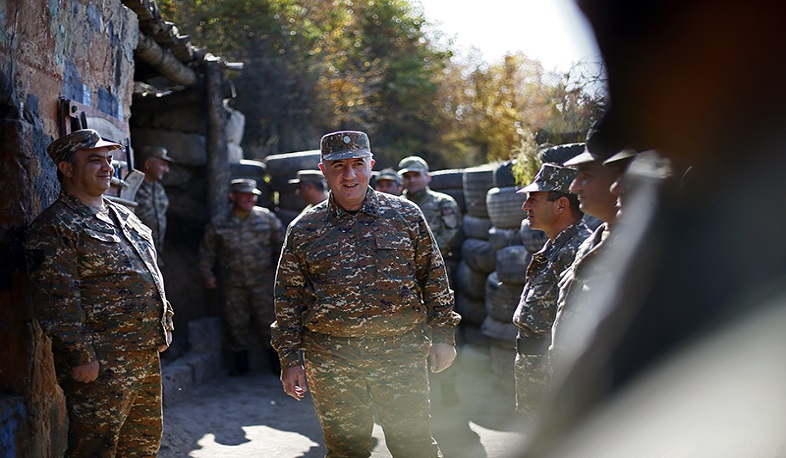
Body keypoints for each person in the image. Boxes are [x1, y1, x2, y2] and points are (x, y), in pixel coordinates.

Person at [272, 130, 461, 457]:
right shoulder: (304, 229)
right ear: (323, 170)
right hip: (332, 359)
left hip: (399, 352)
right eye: (338, 166)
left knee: (413, 446)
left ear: (371, 165)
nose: (349, 175)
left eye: (358, 164)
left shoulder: (406, 216)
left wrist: (444, 335)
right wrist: (290, 358)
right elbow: (287, 298)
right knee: (346, 450)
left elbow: (434, 277)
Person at [26, 129, 174, 457]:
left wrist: (165, 324)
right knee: (95, 448)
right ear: (66, 168)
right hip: (101, 363)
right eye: (95, 160)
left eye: (109, 159)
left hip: (144, 354)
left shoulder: (125, 217)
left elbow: (151, 273)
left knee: (142, 444)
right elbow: (57, 296)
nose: (107, 167)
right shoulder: (57, 226)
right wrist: (81, 354)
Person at [512, 163, 591, 418]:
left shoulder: (576, 250)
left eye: (533, 199)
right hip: (536, 374)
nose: (526, 206)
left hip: (555, 381)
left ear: (561, 205)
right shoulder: (556, 247)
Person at [198, 178, 284, 376]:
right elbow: (207, 252)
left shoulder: (267, 219)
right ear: (233, 197)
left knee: (269, 323)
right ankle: (240, 366)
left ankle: (276, 366)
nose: (249, 199)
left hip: (263, 282)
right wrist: (207, 275)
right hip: (233, 284)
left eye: (252, 196)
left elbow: (282, 248)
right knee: (236, 324)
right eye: (245, 195)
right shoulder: (219, 222)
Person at [397, 156, 461, 258]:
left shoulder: (443, 202)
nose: (412, 180)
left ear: (427, 177)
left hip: (435, 261)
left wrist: (424, 254)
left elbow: (450, 233)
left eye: (416, 175)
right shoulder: (395, 204)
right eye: (407, 177)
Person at [134, 145, 174, 266]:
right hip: (137, 254)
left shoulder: (159, 189)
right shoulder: (134, 186)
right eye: (162, 164)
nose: (166, 170)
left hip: (155, 254)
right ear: (148, 164)